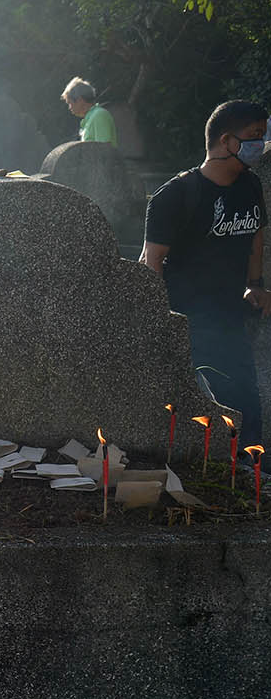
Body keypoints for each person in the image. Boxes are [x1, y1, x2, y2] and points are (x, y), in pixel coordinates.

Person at [141, 99, 271, 447]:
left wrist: (255, 285)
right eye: (255, 135)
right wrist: (160, 323)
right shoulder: (176, 195)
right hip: (186, 319)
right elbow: (151, 262)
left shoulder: (250, 186)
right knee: (193, 406)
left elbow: (255, 236)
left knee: (245, 398)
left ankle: (248, 466)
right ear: (227, 141)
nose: (261, 143)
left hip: (230, 314)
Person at [62, 77, 117, 146]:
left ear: (80, 100)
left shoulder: (99, 115)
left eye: (70, 103)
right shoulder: (90, 119)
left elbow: (105, 150)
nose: (69, 108)